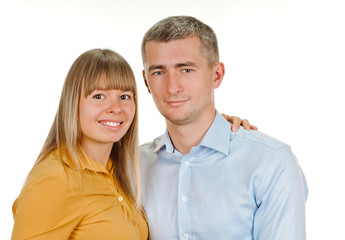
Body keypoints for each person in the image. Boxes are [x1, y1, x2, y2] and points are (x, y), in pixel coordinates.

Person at [140, 16, 308, 240]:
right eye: (159, 72)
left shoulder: (271, 162)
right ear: (145, 81)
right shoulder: (132, 165)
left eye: (186, 70)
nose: (172, 87)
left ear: (216, 75)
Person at [11, 49, 148, 239]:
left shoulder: (117, 172)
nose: (116, 108)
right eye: (99, 96)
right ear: (72, 102)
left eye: (124, 97)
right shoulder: (56, 178)